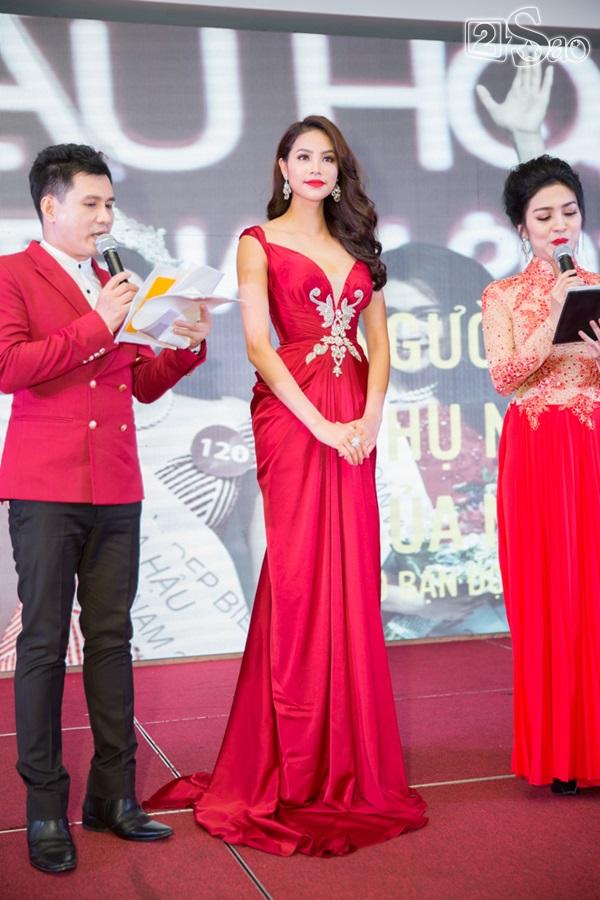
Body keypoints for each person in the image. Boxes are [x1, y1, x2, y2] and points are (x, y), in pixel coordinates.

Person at [145, 115, 427, 855]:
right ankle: (289, 756)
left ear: (339, 171)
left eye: (326, 158)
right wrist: (323, 426)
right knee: (298, 576)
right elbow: (258, 347)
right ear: (281, 166)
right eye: (302, 155)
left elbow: (379, 346)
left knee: (351, 573)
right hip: (294, 417)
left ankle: (350, 758)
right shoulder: (257, 241)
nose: (314, 167)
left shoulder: (359, 246)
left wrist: (367, 418)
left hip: (355, 417)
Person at [0, 143, 211, 873]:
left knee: (114, 640)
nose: (104, 217)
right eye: (91, 203)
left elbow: (139, 383)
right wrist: (97, 321)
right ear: (49, 206)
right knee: (42, 644)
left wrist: (185, 348)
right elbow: (10, 367)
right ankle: (44, 808)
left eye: (110, 204)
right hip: (45, 487)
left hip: (116, 484)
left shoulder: (115, 281)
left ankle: (113, 797)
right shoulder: (12, 275)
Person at [481, 154, 600, 794]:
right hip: (536, 450)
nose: (560, 225)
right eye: (544, 215)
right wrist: (555, 313)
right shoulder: (501, 296)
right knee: (548, 597)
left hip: (593, 445)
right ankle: (561, 753)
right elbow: (504, 378)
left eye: (569, 212)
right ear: (521, 226)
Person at [378, 243, 508, 639]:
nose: (408, 333)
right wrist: (415, 601)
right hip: (405, 629)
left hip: (503, 617)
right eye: (393, 317)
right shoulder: (356, 415)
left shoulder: (494, 406)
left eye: (425, 316)